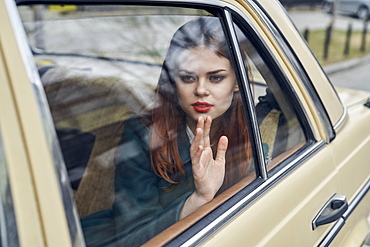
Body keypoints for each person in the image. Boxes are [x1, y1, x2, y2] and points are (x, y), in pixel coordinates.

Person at [82, 17, 253, 246]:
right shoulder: (143, 134)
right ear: (173, 81)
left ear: (236, 82)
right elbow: (133, 237)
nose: (201, 90)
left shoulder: (252, 134)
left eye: (215, 78)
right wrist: (198, 199)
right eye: (188, 78)